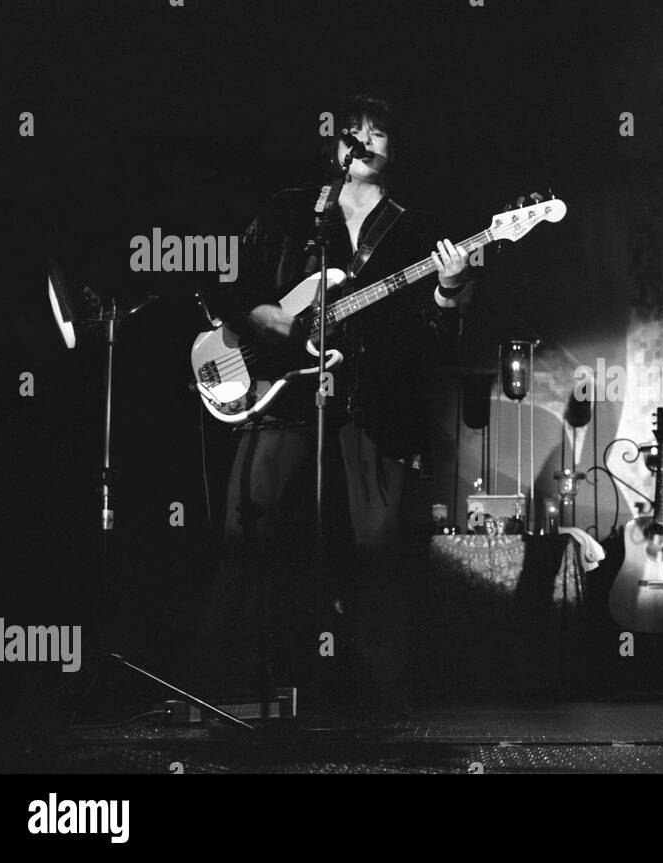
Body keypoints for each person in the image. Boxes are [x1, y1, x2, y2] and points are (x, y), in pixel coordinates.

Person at [198, 94, 475, 712]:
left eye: (379, 133)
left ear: (394, 149)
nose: (365, 142)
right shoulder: (292, 211)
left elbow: (439, 332)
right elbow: (234, 283)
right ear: (336, 144)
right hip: (284, 389)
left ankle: (388, 701)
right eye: (354, 132)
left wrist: (450, 288)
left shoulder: (416, 228)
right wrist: (260, 313)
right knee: (246, 535)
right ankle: (221, 686)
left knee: (377, 548)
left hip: (373, 399)